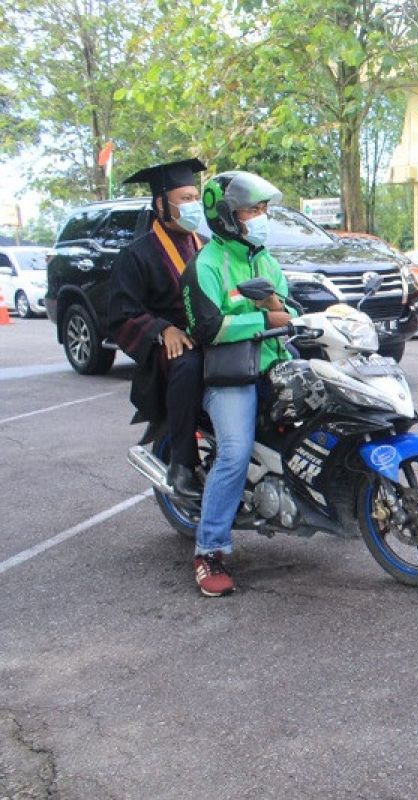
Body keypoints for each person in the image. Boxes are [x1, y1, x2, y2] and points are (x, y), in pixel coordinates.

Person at [181, 171, 295, 597]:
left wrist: (275, 304)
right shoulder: (205, 266)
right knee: (234, 451)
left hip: (274, 365)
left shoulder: (263, 258)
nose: (260, 217)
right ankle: (208, 549)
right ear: (227, 216)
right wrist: (262, 318)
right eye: (251, 210)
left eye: (263, 209)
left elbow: (291, 308)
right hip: (228, 376)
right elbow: (206, 328)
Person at [109, 158, 208, 498]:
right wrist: (163, 330)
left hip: (213, 332)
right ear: (161, 204)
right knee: (189, 364)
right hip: (171, 345)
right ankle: (183, 463)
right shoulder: (137, 255)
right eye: (184, 198)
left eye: (196, 196)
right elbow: (122, 314)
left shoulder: (207, 246)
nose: (193, 204)